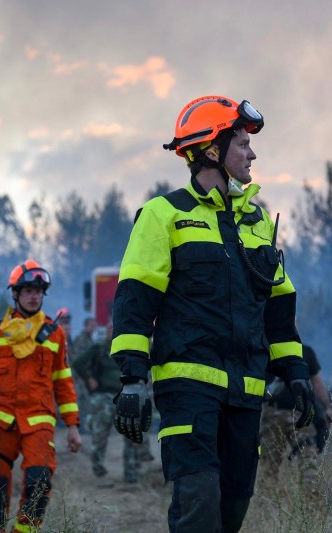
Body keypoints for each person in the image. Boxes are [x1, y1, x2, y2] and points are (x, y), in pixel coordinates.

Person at [109, 95, 318, 532]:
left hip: (246, 392)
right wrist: (132, 378)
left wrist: (296, 374)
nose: (252, 153)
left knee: (232, 510)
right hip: (187, 389)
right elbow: (134, 301)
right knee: (199, 504)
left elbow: (278, 311)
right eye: (242, 143)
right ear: (210, 149)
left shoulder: (257, 222)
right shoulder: (164, 214)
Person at [0, 259, 82, 533]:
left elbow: (63, 383)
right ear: (16, 293)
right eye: (29, 290)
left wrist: (72, 426)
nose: (35, 296)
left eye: (39, 291)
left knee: (40, 481)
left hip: (39, 421)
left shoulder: (54, 336)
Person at [72, 322, 142, 483]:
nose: (113, 331)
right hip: (103, 397)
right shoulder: (99, 349)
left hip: (125, 397)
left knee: (132, 435)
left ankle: (130, 471)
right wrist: (89, 379)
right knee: (100, 434)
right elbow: (77, 363)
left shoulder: (128, 351)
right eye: (110, 328)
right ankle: (98, 466)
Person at [261, 343, 330, 469]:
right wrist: (327, 408)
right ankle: (309, 488)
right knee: (308, 457)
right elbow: (317, 382)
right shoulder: (305, 351)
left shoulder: (267, 349)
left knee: (270, 462)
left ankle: (270, 488)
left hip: (274, 412)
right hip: (299, 413)